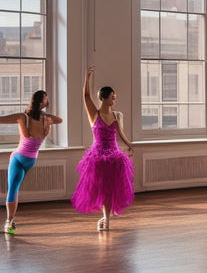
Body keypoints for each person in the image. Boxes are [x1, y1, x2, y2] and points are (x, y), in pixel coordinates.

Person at [71, 65, 134, 231]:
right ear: (104, 98)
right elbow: (85, 95)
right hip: (98, 156)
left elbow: (120, 132)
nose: (115, 99)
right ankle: (105, 219)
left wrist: (129, 145)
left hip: (115, 156)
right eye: (113, 97)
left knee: (110, 191)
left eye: (115, 97)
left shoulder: (117, 115)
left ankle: (106, 219)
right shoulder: (94, 114)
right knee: (102, 190)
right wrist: (87, 77)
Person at [0, 90, 63, 234]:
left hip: (18, 158)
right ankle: (10, 222)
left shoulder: (23, 117)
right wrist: (47, 116)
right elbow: (60, 120)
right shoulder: (47, 120)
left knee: (13, 190)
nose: (48, 101)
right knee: (14, 189)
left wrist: (44, 115)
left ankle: (8, 222)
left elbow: (1, 119)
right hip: (31, 160)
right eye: (46, 99)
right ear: (43, 101)